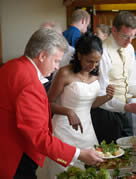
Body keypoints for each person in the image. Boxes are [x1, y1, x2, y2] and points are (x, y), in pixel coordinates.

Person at [0, 29, 105, 179]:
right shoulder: (30, 83)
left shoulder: (10, 66)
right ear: (42, 56)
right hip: (16, 156)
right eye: (56, 61)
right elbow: (38, 137)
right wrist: (78, 154)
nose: (57, 67)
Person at [41, 32, 115, 179]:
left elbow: (90, 104)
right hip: (64, 131)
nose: (93, 66)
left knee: (89, 173)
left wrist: (106, 97)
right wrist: (68, 111)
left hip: (87, 131)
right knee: (64, 173)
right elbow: (47, 104)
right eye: (89, 61)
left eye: (96, 62)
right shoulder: (64, 73)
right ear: (79, 55)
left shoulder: (96, 73)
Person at [91, 11, 136, 144]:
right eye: (125, 36)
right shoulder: (102, 52)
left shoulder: (129, 49)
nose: (130, 41)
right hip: (106, 112)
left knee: (129, 151)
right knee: (111, 154)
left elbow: (132, 81)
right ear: (114, 30)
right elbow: (100, 92)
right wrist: (125, 107)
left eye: (133, 36)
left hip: (125, 108)